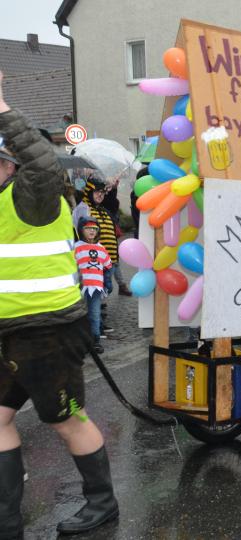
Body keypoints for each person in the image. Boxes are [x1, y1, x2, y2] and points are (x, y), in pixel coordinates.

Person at [0, 72, 119, 537]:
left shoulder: (32, 195)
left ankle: (102, 503)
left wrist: (4, 108)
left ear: (9, 165)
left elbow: (44, 164)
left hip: (49, 332)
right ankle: (7, 521)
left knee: (66, 420)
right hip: (8, 334)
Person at [73, 178, 131, 296]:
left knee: (106, 288)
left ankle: (98, 304)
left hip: (109, 260)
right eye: (97, 191)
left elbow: (113, 204)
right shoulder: (83, 209)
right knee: (95, 289)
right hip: (92, 260)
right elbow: (78, 233)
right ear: (89, 192)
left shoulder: (103, 210)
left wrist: (113, 189)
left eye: (103, 192)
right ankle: (94, 308)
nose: (100, 194)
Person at [74, 218, 114, 354]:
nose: (92, 231)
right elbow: (71, 267)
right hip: (80, 289)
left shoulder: (101, 248)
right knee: (80, 315)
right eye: (88, 228)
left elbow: (108, 267)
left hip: (96, 288)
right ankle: (80, 341)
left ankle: (95, 341)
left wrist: (108, 283)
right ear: (81, 230)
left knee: (95, 315)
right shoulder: (76, 247)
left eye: (94, 229)